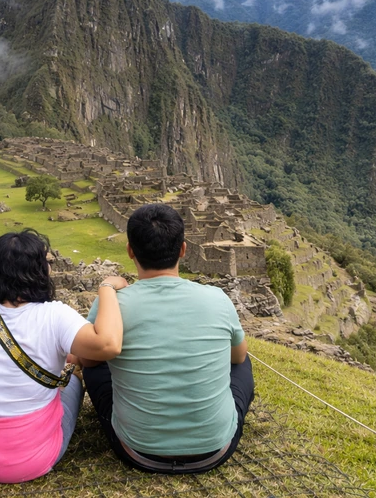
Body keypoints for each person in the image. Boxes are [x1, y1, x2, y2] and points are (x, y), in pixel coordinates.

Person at [0, 229, 124, 483]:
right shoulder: (55, 315)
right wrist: (107, 287)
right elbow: (108, 345)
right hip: (27, 462)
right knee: (72, 380)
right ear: (40, 271)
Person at [78, 203, 254, 474]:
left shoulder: (111, 305)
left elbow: (88, 362)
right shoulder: (217, 299)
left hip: (137, 451)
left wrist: (107, 287)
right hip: (215, 450)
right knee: (242, 359)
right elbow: (238, 358)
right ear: (183, 249)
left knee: (96, 360)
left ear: (130, 251)